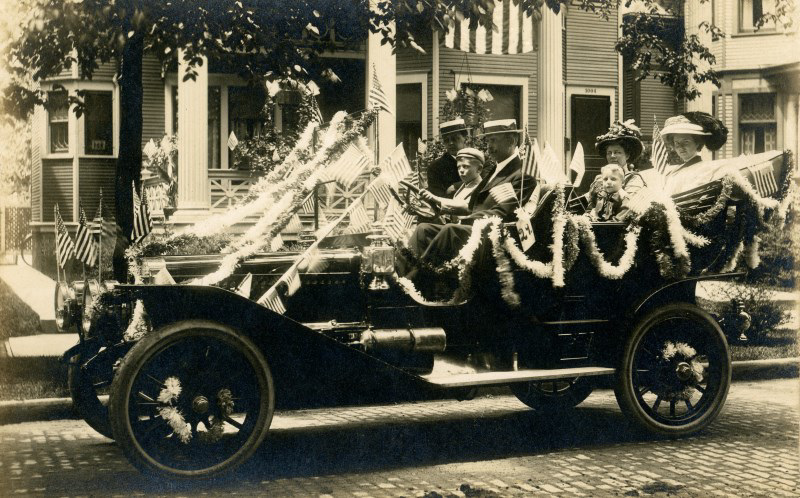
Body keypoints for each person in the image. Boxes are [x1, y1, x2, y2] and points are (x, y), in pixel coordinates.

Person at [403, 119, 534, 271]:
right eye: (487, 141)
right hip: (475, 230)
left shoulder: (522, 177)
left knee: (450, 230)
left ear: (511, 140)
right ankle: (398, 274)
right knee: (423, 229)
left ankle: (412, 281)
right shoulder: (495, 171)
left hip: (491, 235)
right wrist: (439, 204)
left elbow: (502, 212)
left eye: (493, 141)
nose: (489, 146)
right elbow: (470, 205)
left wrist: (466, 220)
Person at [659, 112, 728, 195]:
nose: (680, 147)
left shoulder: (704, 170)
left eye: (686, 142)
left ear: (697, 143)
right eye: (677, 143)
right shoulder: (673, 171)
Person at [420, 147, 484, 222]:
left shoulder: (481, 188)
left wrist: (435, 199)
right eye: (459, 167)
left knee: (423, 228)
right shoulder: (464, 186)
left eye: (465, 166)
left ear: (479, 169)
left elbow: (467, 207)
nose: (461, 171)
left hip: (466, 229)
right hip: (454, 226)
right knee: (423, 226)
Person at [593, 119, 647, 195]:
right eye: (609, 153)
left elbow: (630, 203)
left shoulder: (634, 179)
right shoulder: (599, 178)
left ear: (627, 155)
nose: (612, 156)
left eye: (617, 152)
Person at [427, 118, 469, 197]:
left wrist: (456, 186)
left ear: (465, 138)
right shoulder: (435, 167)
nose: (450, 143)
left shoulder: (481, 160)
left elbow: (485, 182)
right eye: (446, 140)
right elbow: (436, 198)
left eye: (455, 139)